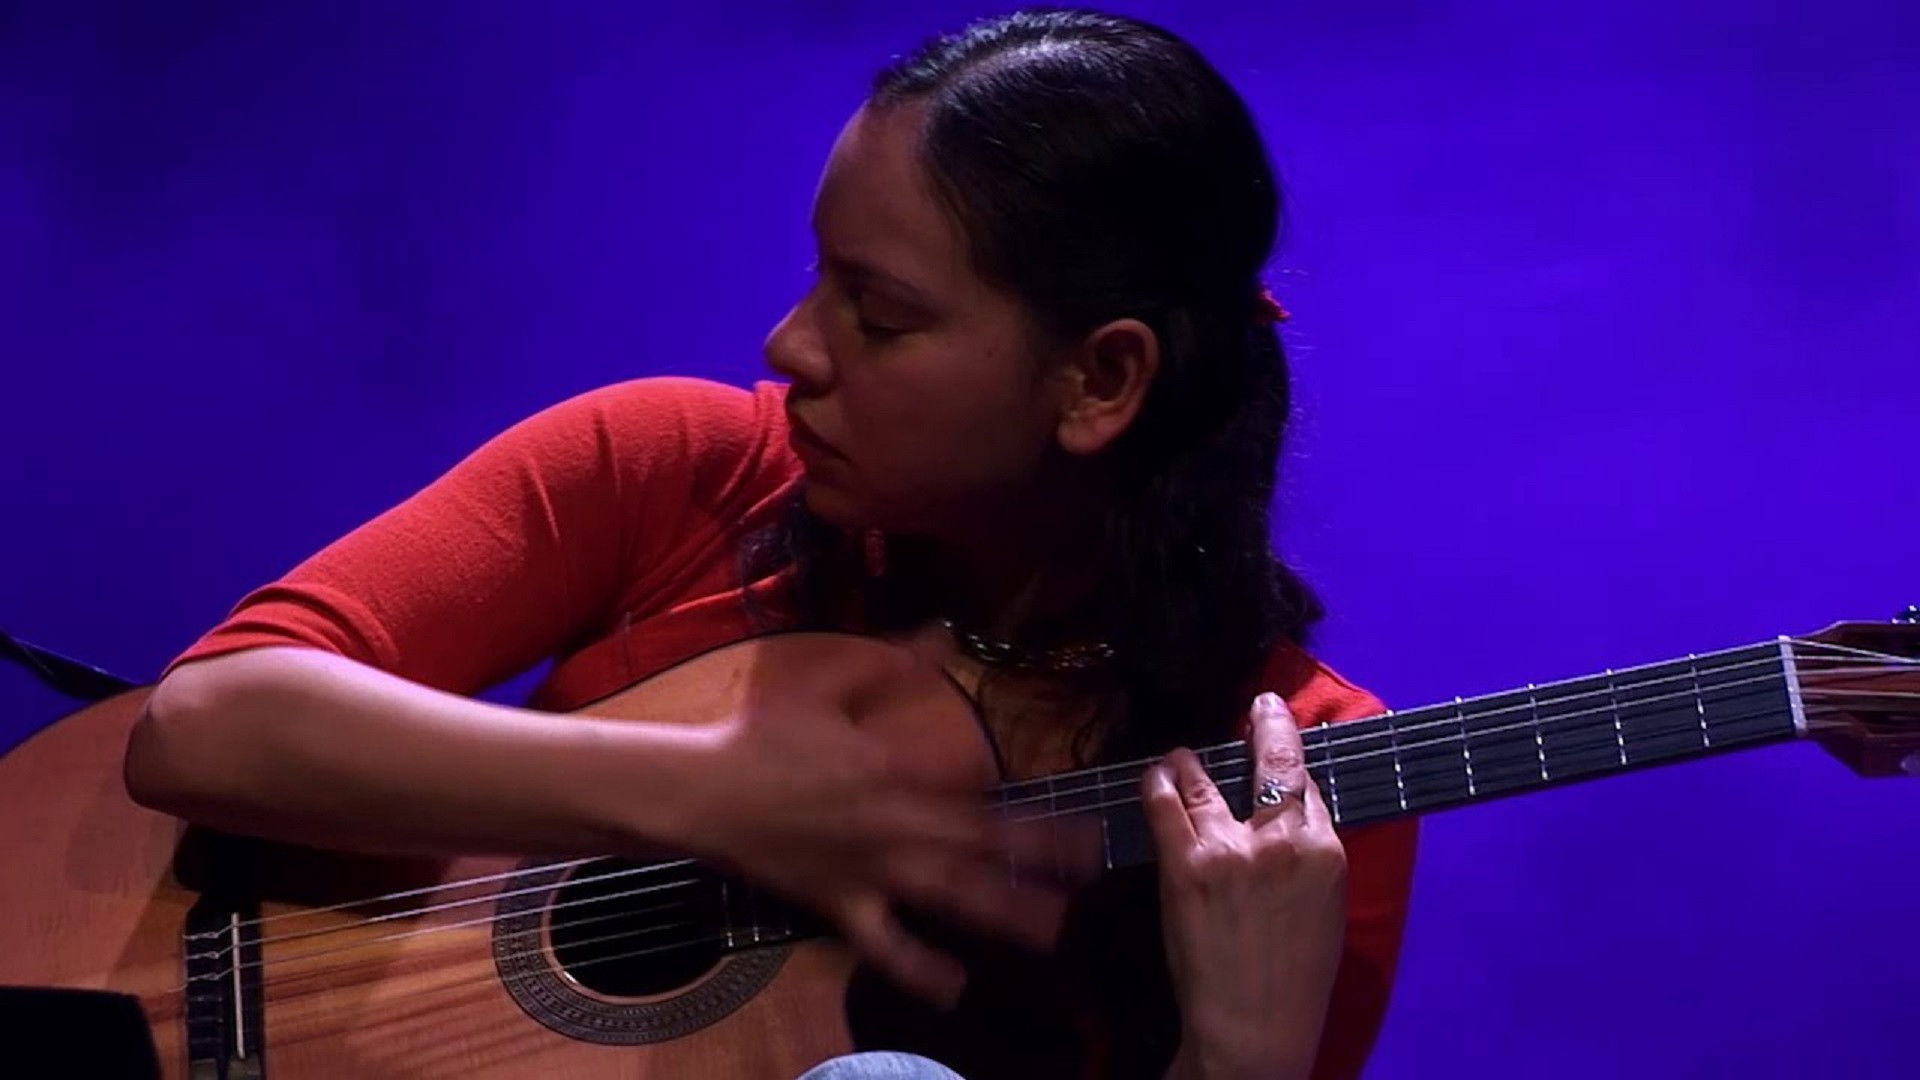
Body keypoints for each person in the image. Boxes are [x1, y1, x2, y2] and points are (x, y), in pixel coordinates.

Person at [124, 8, 1417, 1079]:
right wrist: (712, 795)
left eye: (883, 316)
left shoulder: (1292, 777)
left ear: (1100, 381)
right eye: (820, 280)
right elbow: (207, 723)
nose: (790, 347)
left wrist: (1246, 1054)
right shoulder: (680, 465)